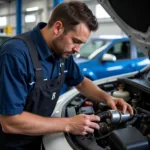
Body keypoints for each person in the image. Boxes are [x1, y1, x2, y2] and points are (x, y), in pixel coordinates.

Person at [0, 1, 133, 150]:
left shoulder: (62, 52)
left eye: (81, 44)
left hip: (42, 138)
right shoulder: (15, 54)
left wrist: (108, 98)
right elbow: (10, 121)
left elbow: (81, 82)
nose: (78, 50)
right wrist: (69, 124)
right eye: (76, 41)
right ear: (58, 28)